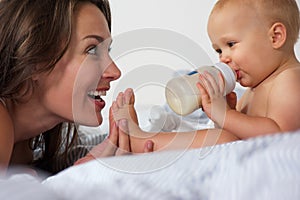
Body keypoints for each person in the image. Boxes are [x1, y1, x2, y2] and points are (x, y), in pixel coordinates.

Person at [111, 0, 300, 153]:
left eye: (231, 44)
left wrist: (227, 115)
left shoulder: (290, 80)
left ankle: (140, 141)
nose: (223, 58)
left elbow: (281, 137)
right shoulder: (256, 87)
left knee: (222, 140)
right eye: (218, 50)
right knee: (219, 136)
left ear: (275, 36)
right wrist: (224, 112)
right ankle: (149, 140)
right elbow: (241, 132)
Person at [0, 0, 153, 175]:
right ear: (35, 60)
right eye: (92, 50)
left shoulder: (22, 149)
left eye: (107, 51)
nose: (115, 71)